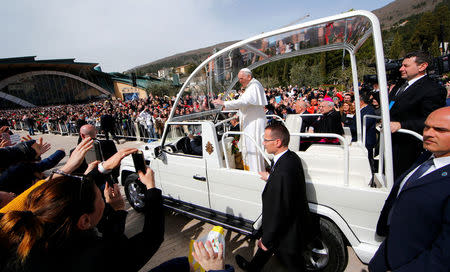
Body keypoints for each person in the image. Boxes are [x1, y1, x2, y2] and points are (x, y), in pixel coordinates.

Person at [0, 145, 163, 272]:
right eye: (100, 197)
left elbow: (67, 194)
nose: (104, 198)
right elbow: (152, 237)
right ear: (84, 221)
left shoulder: (25, 233)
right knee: (182, 263)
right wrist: (151, 188)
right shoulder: (95, 257)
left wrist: (103, 169)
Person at [369, 106, 450, 271]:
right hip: (389, 253)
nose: (428, 133)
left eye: (440, 130)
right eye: (427, 127)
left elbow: (444, 254)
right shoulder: (427, 155)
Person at [235, 123, 314, 272]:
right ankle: (253, 268)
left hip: (288, 231)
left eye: (266, 140)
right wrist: (271, 178)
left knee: (293, 263)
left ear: (277, 142)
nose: (263, 143)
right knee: (268, 250)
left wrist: (267, 239)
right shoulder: (290, 158)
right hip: (290, 224)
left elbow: (278, 209)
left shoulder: (282, 172)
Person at [389, 51, 447, 178]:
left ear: (422, 66)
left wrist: (401, 125)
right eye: (401, 65)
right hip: (390, 144)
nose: (401, 69)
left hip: (409, 148)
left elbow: (430, 120)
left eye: (406, 66)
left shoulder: (432, 89)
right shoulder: (399, 86)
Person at [212, 68, 267, 172]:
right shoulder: (251, 87)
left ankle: (256, 172)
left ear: (249, 77)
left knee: (253, 149)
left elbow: (244, 102)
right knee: (250, 149)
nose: (240, 81)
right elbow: (245, 106)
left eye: (241, 78)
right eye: (239, 79)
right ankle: (252, 171)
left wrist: (224, 103)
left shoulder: (254, 86)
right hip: (250, 123)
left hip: (254, 124)